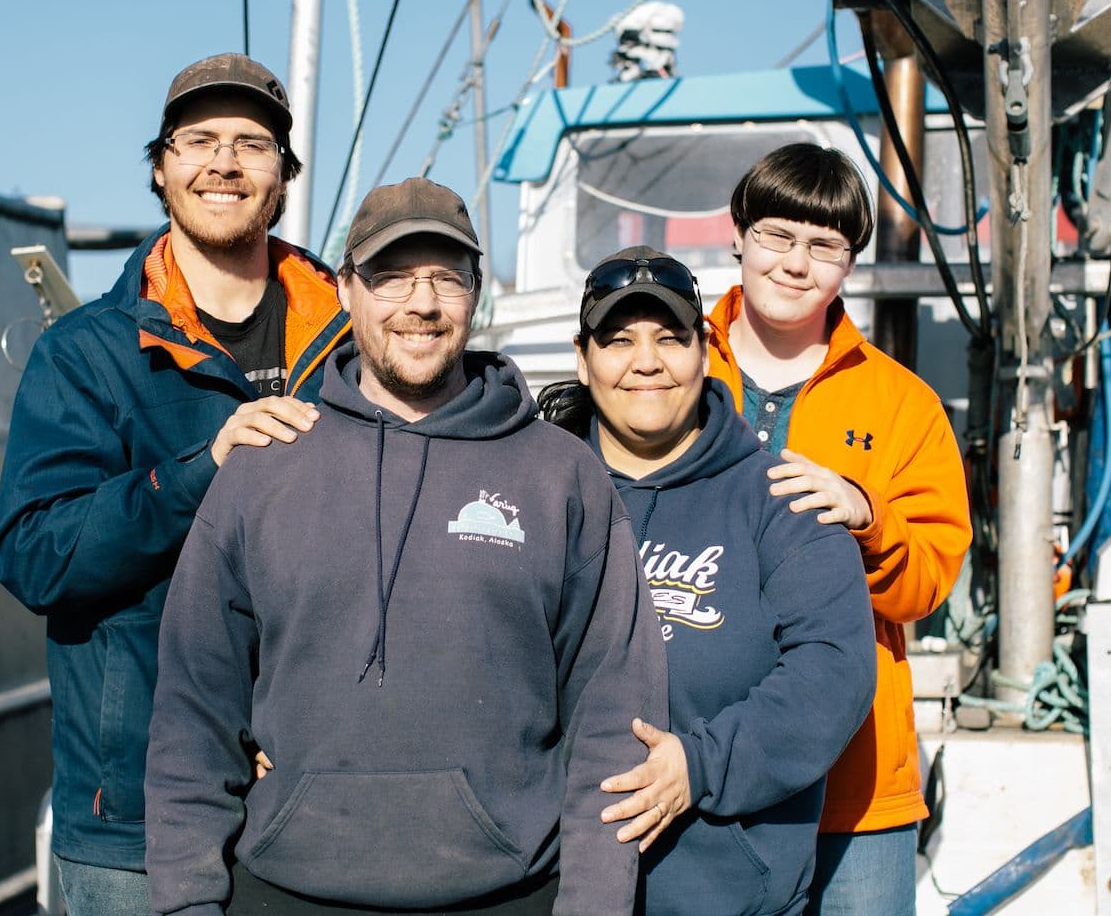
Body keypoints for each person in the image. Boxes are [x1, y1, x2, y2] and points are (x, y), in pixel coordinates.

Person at [144, 178, 667, 916]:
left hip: (512, 894)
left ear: (476, 293)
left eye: (446, 277)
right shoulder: (265, 465)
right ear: (347, 290)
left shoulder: (560, 473)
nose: (421, 303)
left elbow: (612, 716)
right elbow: (193, 713)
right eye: (391, 276)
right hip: (284, 892)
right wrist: (186, 904)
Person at [0, 53, 350, 915]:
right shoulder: (84, 353)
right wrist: (200, 474)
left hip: (328, 800)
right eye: (197, 141)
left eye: (251, 144)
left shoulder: (352, 342)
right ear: (160, 168)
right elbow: (36, 556)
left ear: (285, 175)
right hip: (138, 824)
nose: (223, 163)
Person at [537, 246, 877, 916]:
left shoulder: (782, 499)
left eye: (670, 338)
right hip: (551, 888)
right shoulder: (535, 497)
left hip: (728, 893)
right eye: (618, 341)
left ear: (703, 352)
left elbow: (833, 671)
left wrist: (699, 766)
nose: (645, 362)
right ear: (582, 359)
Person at [705, 144, 972, 915]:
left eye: (824, 245)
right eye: (776, 236)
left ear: (848, 263)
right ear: (738, 237)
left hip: (854, 790)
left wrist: (868, 515)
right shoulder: (667, 369)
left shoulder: (902, 403)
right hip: (688, 761)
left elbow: (926, 585)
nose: (795, 264)